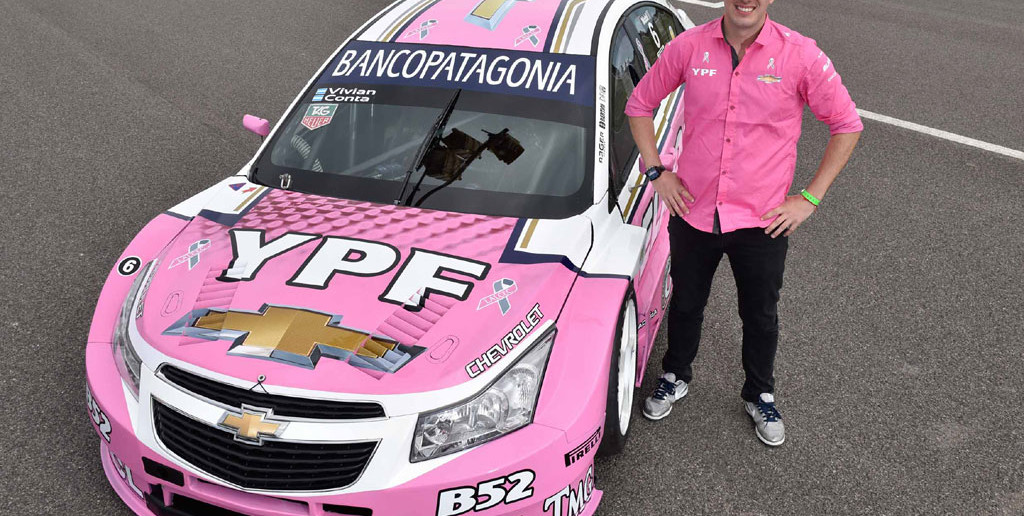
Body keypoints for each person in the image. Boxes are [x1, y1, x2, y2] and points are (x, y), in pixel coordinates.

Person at [625, 0, 862, 446]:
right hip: (694, 210)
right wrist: (657, 171)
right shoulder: (688, 46)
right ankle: (675, 374)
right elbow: (639, 104)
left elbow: (847, 124)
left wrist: (809, 199)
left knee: (759, 314)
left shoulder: (801, 54)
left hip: (762, 221)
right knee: (686, 303)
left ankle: (759, 393)